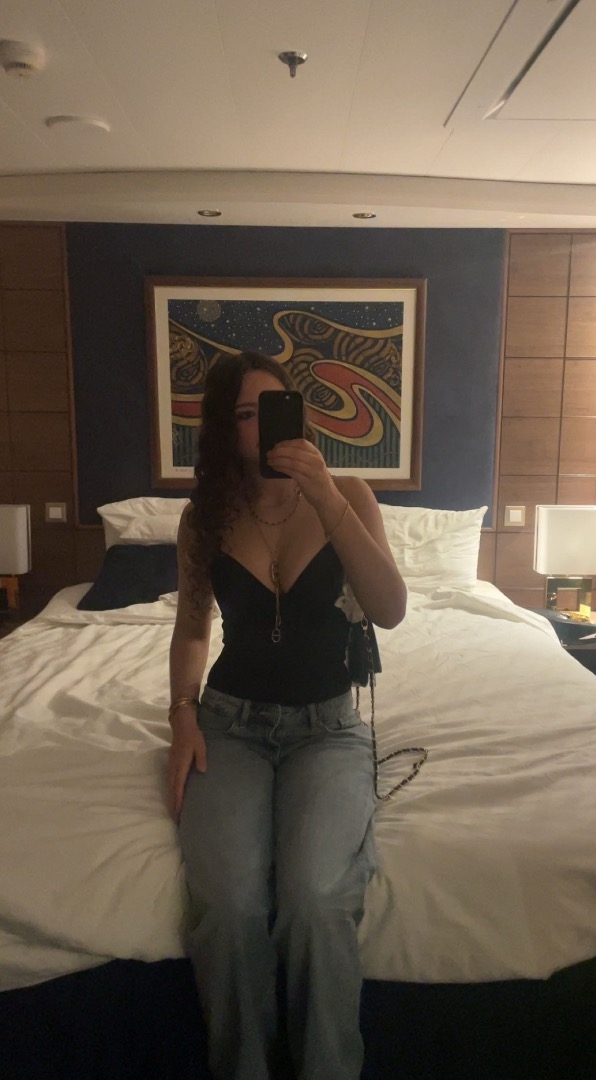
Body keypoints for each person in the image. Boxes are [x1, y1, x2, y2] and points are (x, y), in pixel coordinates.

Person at [168, 351, 407, 1080]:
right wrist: (182, 716)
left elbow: (389, 609)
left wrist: (326, 497)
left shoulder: (348, 494)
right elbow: (192, 630)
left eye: (274, 409)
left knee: (315, 899)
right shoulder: (204, 518)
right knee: (229, 903)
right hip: (229, 726)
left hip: (327, 730)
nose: (263, 427)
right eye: (245, 414)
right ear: (224, 427)